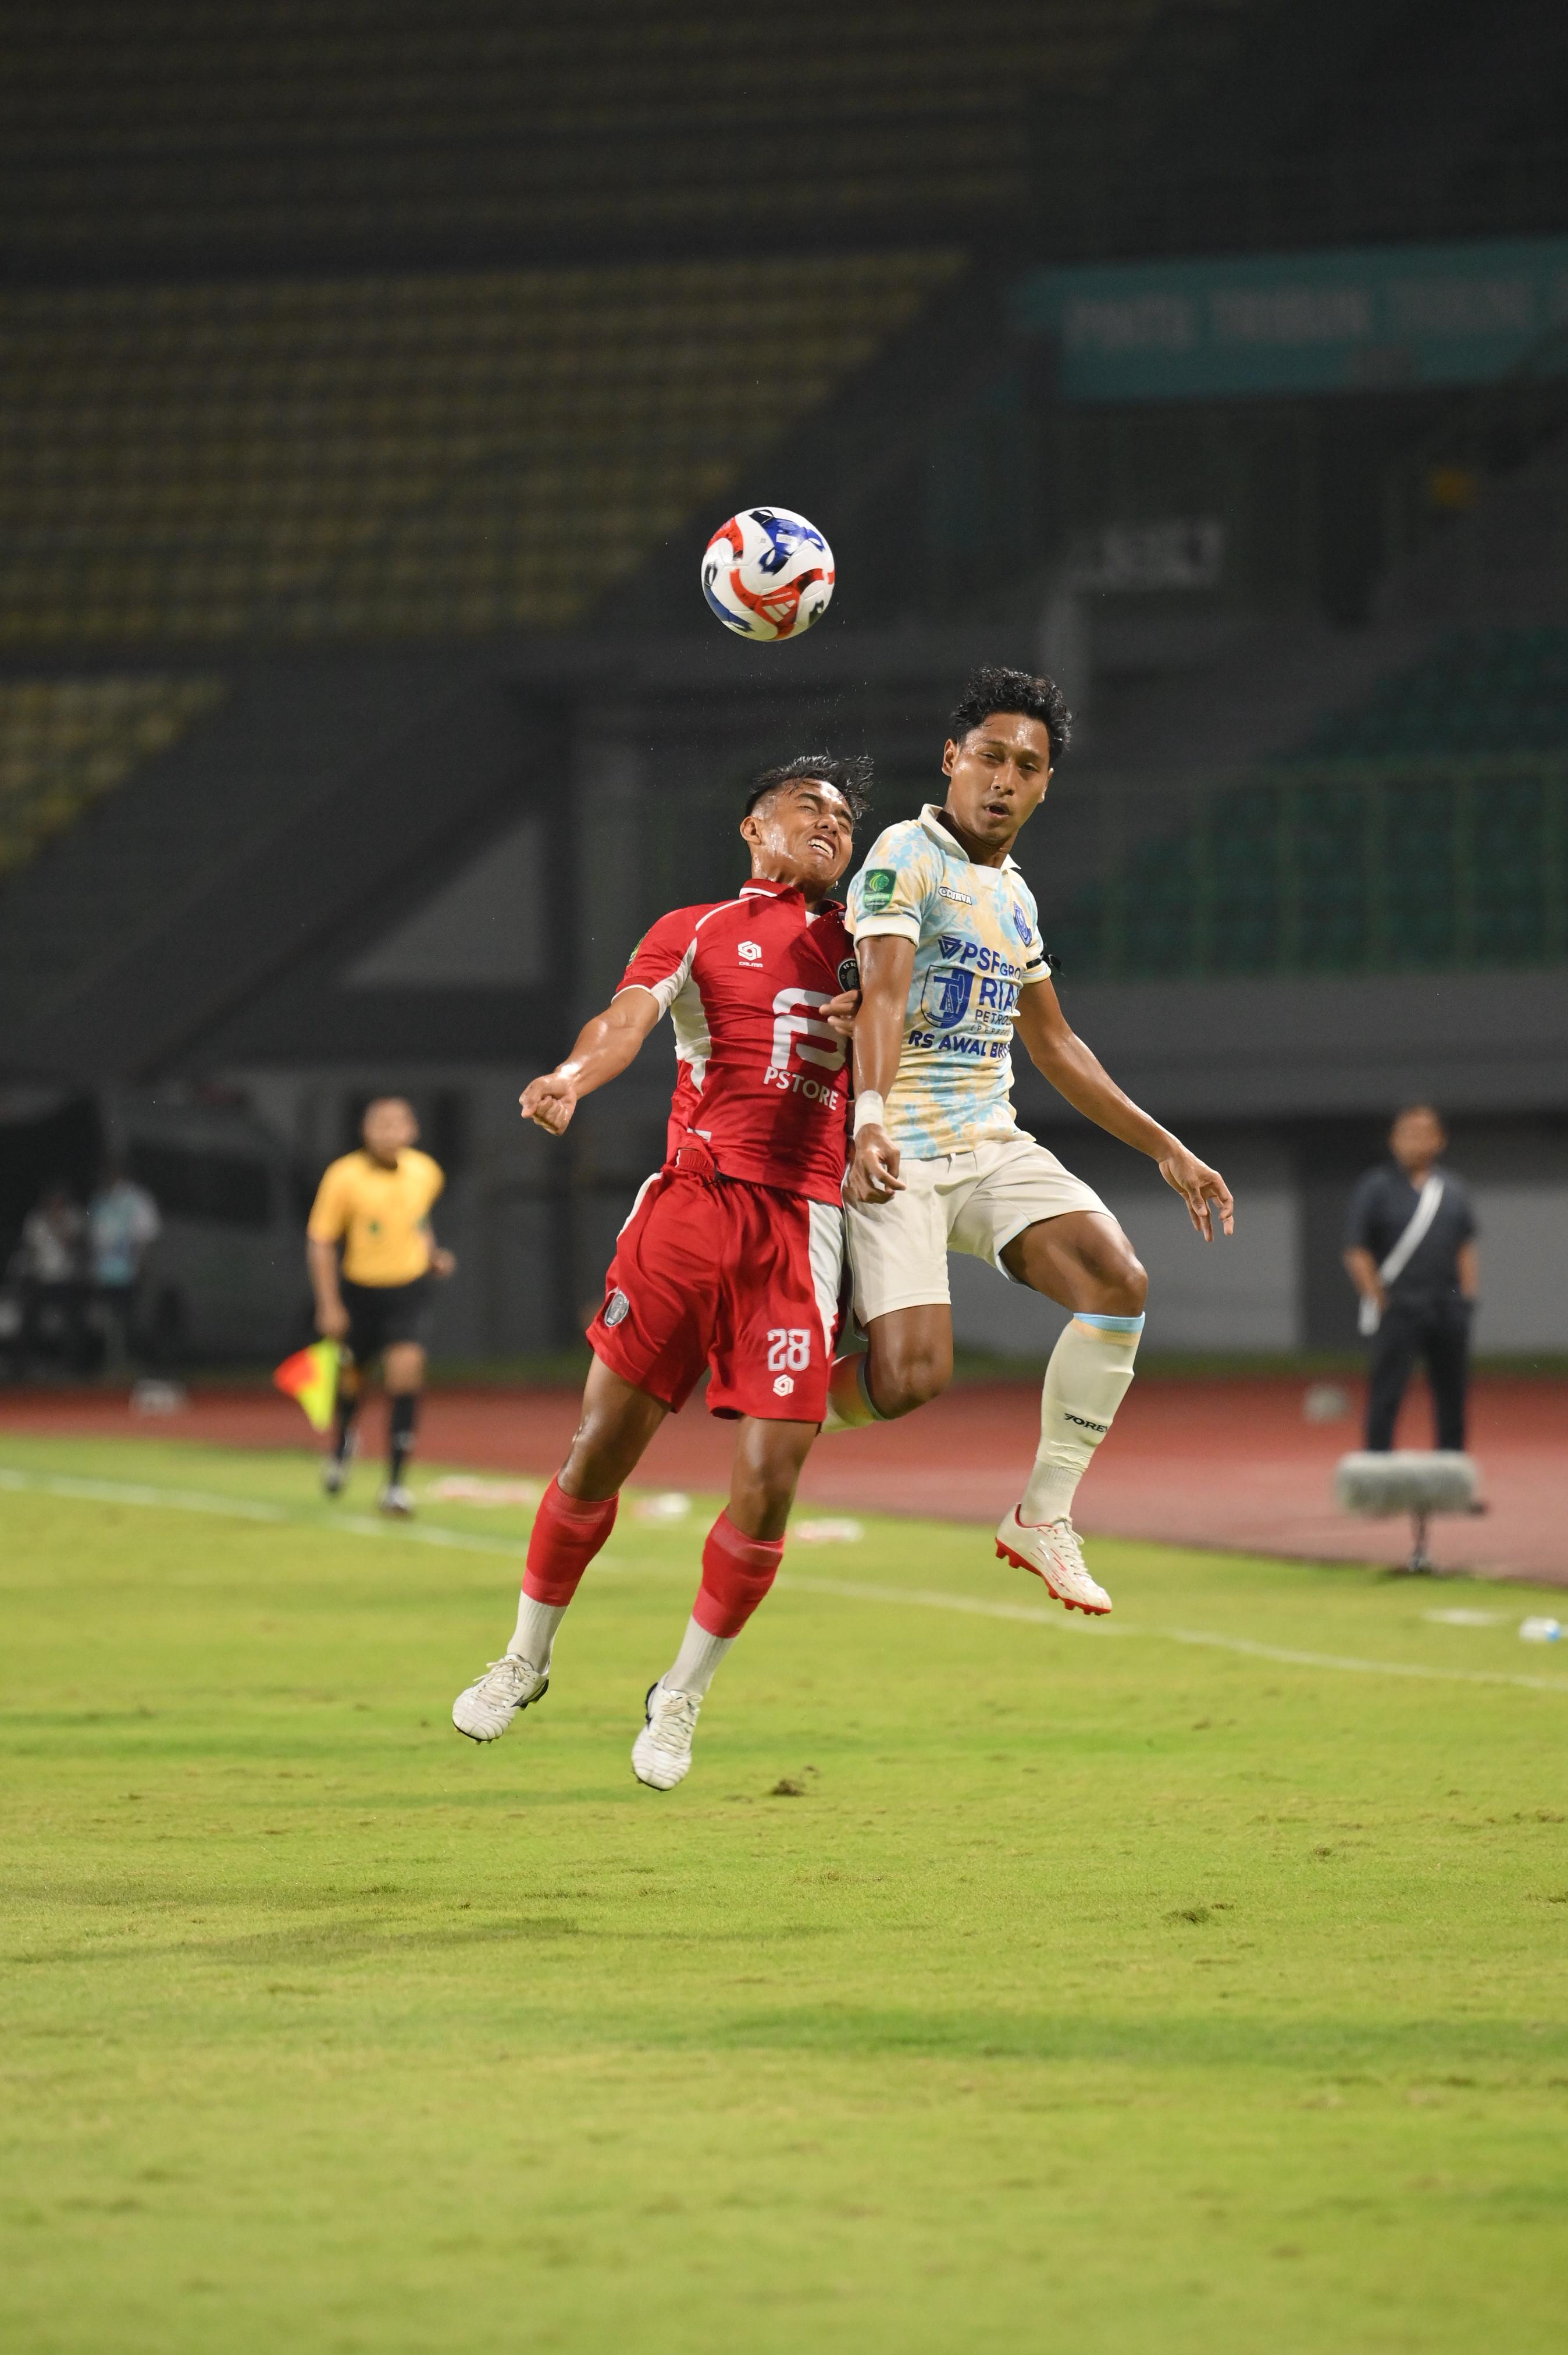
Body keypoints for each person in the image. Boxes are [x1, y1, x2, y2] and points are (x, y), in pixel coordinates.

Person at [451, 754, 871, 1791]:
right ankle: (525, 1659)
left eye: (844, 817)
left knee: (771, 1481)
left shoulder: (872, 947)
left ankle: (681, 1693)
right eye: (808, 807)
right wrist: (572, 1075)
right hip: (692, 1209)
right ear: (753, 827)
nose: (830, 823)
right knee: (598, 1449)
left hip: (801, 1228)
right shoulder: (696, 927)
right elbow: (628, 1019)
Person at [826, 664, 1234, 1617]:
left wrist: (1163, 1147)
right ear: (951, 759)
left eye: (1027, 766)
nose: (1004, 779)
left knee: (1117, 1280)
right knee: (912, 1377)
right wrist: (871, 1116)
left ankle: (1042, 1516)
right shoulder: (904, 853)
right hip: (898, 1147)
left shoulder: (1015, 896)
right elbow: (882, 993)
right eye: (990, 757)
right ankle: (787, 1410)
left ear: (1047, 785)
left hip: (989, 1143)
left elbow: (1053, 1043)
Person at [306, 1097, 456, 1516]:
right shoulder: (343, 1176)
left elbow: (418, 1218)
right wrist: (329, 1303)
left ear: (413, 1130)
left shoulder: (426, 1171)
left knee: (406, 1375)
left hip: (408, 1290)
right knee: (352, 1380)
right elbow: (321, 1241)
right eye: (380, 1124)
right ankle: (343, 1444)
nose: (389, 1132)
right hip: (360, 1291)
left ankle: (395, 1485)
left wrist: (431, 1255)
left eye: (398, 1124)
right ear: (365, 1130)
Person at [1344, 1104, 1478, 1453]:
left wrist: (1467, 1296)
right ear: (1393, 1140)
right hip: (1399, 1307)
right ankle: (1377, 1467)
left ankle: (1451, 1468)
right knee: (1387, 1391)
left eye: (1424, 1134)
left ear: (1440, 1140)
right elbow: (1356, 1248)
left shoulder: (1453, 1189)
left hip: (1447, 1307)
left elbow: (1465, 1245)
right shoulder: (1375, 1187)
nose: (1416, 1141)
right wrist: (1376, 1296)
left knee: (1452, 1394)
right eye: (1408, 1134)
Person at [87, 1163, 161, 1373]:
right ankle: (113, 1361)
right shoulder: (101, 1200)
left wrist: (142, 1264)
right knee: (109, 1319)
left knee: (130, 1317)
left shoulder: (136, 1199)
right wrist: (94, 1267)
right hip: (106, 1271)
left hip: (129, 1270)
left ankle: (130, 1361)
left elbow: (146, 1235)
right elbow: (95, 1237)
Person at [16, 1183, 90, 1375]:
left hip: (66, 1280)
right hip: (42, 1279)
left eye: (59, 1200)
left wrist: (57, 1223)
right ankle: (24, 1366)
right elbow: (30, 1249)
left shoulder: (74, 1216)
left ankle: (74, 1366)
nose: (56, 1204)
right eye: (52, 1200)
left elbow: (72, 1243)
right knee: (28, 1317)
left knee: (75, 1320)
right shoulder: (36, 1219)